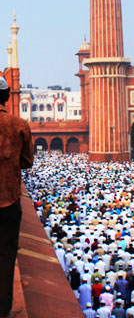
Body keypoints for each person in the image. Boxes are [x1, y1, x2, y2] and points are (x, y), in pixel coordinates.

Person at [0, 76, 35, 318]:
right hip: (8, 200)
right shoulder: (19, 124)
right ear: (7, 96)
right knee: (5, 256)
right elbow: (26, 162)